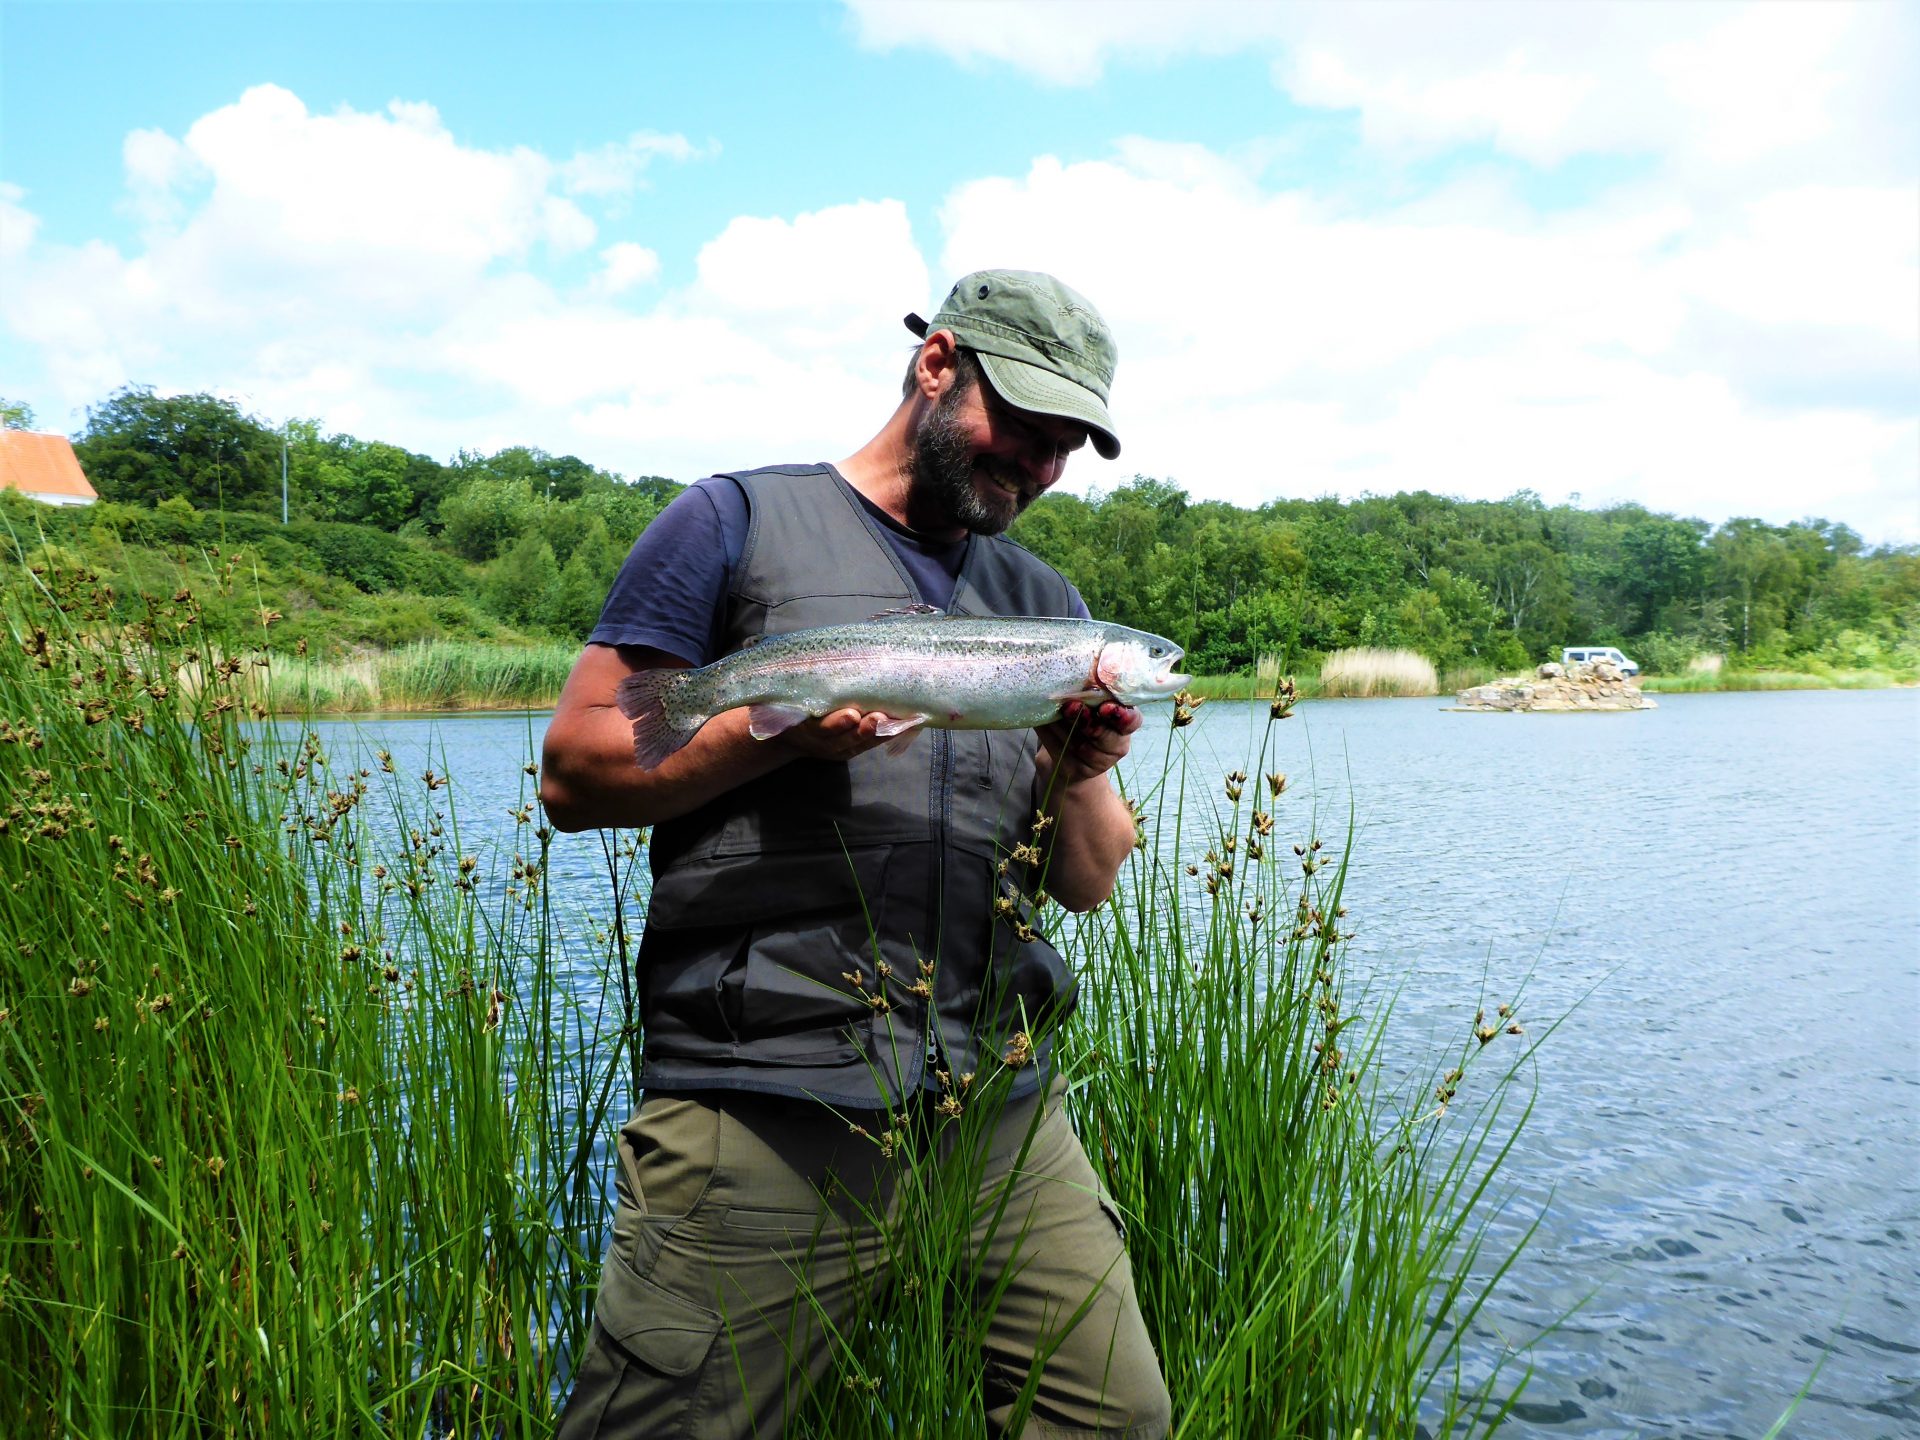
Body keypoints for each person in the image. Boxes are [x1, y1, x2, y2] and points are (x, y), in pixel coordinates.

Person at [542, 270, 1173, 1438]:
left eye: (1064, 447)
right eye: (1022, 426)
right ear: (937, 365)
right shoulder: (731, 522)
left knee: (1114, 1420)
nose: (1037, 466)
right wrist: (778, 734)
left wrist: (1078, 771)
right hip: (762, 1104)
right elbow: (575, 772)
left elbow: (1087, 881)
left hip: (995, 1109)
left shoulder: (1044, 605)